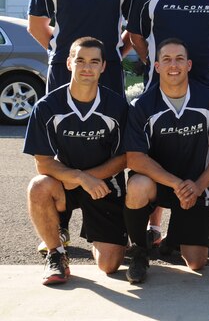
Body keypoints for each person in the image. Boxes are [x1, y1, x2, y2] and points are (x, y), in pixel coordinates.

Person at [123, 39, 209, 284]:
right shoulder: (142, 105)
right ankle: (140, 250)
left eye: (179, 59)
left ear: (189, 64)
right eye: (167, 59)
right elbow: (135, 158)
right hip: (159, 184)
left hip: (194, 186)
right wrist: (175, 183)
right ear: (157, 66)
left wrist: (200, 185)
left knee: (196, 262)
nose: (174, 65)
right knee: (137, 185)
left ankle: (173, 240)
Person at [23, 37, 129, 285]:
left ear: (103, 67)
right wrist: (81, 178)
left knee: (109, 265)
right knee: (38, 186)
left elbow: (125, 158)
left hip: (104, 186)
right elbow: (44, 163)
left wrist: (91, 179)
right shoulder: (47, 107)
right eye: (80, 60)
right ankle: (56, 254)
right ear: (69, 63)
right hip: (67, 184)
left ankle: (103, 236)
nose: (87, 68)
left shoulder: (117, 106)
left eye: (94, 62)